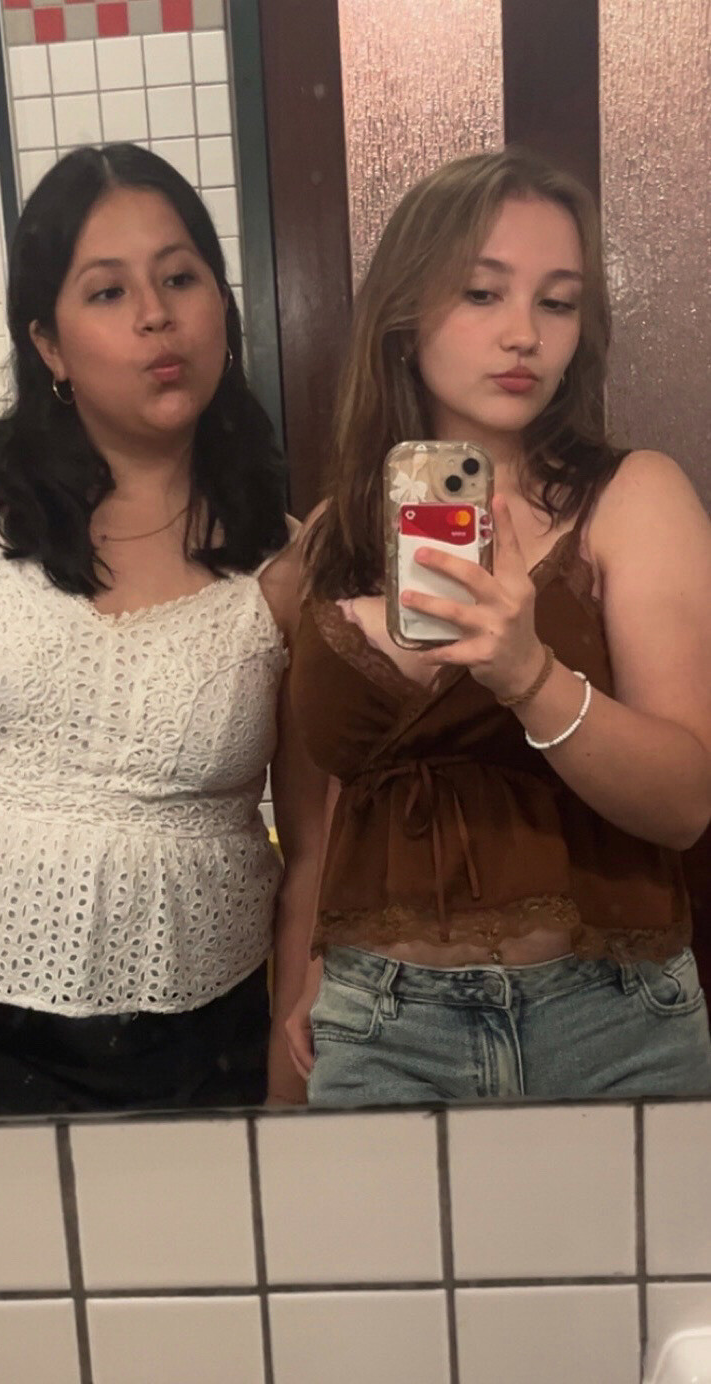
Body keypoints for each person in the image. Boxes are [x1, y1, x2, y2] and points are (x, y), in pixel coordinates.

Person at [0, 143, 323, 1119]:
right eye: (107, 291)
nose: (156, 316)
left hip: (213, 1043)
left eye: (180, 278)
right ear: (48, 343)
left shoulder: (284, 560)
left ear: (222, 306)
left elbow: (315, 837)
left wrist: (293, 1032)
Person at [284, 147, 711, 1104]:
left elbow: (687, 801)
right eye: (482, 294)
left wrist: (529, 674)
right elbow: (354, 782)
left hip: (609, 1019)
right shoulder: (336, 533)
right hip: (379, 1020)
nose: (524, 335)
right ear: (404, 314)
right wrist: (316, 962)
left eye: (557, 303)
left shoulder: (633, 498)